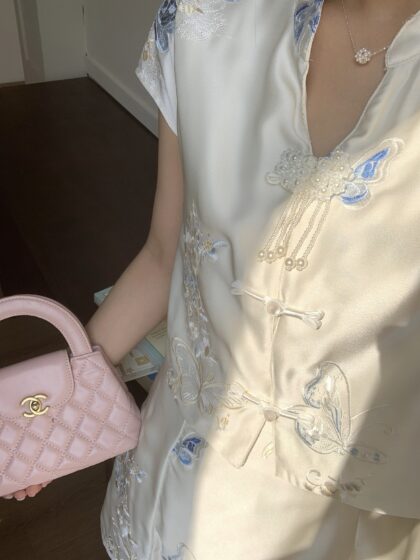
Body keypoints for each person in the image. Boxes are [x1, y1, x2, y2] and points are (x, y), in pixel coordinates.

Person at [5, 0, 420, 558]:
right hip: (177, 486)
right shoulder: (204, 19)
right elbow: (164, 254)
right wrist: (51, 413)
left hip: (363, 519)